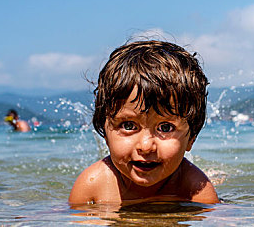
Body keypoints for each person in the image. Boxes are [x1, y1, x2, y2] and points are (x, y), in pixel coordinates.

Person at [69, 40, 219, 205]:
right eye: (128, 126)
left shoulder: (194, 188)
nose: (146, 146)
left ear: (191, 138)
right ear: (104, 131)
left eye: (165, 127)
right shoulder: (93, 185)